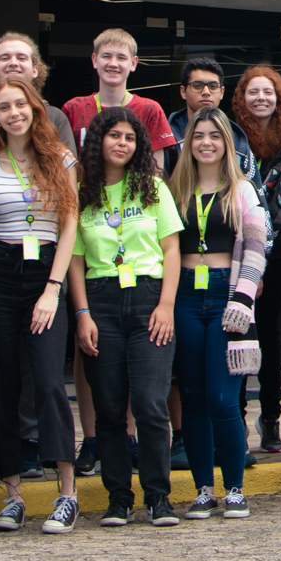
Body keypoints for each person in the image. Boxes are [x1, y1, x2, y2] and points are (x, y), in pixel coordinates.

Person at [0, 77, 83, 534]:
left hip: (45, 275)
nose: (13, 113)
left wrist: (53, 289)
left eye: (20, 104)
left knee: (49, 380)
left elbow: (70, 224)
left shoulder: (60, 160)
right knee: (1, 384)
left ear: (35, 109)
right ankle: (12, 494)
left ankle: (67, 492)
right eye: (3, 107)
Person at [69, 105, 184, 527]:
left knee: (152, 404)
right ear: (98, 140)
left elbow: (171, 249)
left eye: (130, 137)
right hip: (100, 301)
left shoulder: (153, 187)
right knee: (110, 408)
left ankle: (158, 497)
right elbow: (76, 260)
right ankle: (119, 497)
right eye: (114, 135)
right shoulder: (82, 191)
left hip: (150, 299)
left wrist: (166, 306)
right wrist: (82, 313)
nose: (122, 143)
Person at [164, 106, 269, 520]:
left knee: (222, 399)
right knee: (191, 397)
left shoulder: (242, 190)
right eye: (198, 135)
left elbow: (258, 249)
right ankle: (203, 489)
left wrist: (242, 301)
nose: (206, 142)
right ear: (188, 144)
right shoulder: (175, 190)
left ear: (227, 143)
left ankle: (235, 488)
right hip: (186, 298)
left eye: (214, 135)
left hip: (228, 298)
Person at [232, 64, 281, 455]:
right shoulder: (231, 138)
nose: (261, 98)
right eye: (253, 92)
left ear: (279, 99)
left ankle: (271, 416)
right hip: (240, 246)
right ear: (241, 99)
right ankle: (239, 416)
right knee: (241, 329)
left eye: (269, 92)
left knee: (270, 329)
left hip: (280, 247)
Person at [0, 32, 78, 175]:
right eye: (5, 58)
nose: (13, 63)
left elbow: (67, 171)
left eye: (21, 58)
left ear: (35, 70)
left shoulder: (55, 117)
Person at [62, 28, 176, 156]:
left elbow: (157, 171)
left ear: (133, 63)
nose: (113, 63)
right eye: (106, 56)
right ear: (94, 60)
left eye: (121, 58)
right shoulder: (73, 109)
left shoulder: (150, 110)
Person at [164, 56, 255, 178]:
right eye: (197, 86)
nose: (206, 91)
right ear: (183, 92)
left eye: (213, 86)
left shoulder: (237, 140)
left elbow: (251, 190)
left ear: (222, 92)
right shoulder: (166, 138)